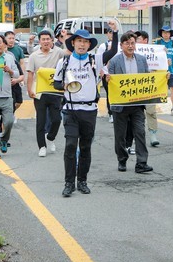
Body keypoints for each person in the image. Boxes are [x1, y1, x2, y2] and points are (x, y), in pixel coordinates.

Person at [53, 29, 101, 197]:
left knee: (86, 147)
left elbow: (111, 51)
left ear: (89, 45)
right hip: (70, 110)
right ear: (73, 43)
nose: (82, 44)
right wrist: (65, 86)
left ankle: (82, 181)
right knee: (71, 145)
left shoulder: (95, 60)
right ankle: (68, 183)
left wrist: (115, 33)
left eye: (85, 41)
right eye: (79, 41)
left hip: (89, 110)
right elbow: (56, 83)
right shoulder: (64, 62)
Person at [106, 32, 153, 174]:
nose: (130, 46)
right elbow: (110, 83)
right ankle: (122, 159)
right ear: (121, 46)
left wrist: (163, 76)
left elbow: (148, 79)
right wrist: (108, 79)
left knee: (140, 132)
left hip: (137, 104)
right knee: (120, 135)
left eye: (132, 43)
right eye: (127, 43)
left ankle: (141, 163)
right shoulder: (114, 61)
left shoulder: (142, 60)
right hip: (120, 105)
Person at [26, 30, 66, 157]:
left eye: (48, 39)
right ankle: (42, 146)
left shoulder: (58, 52)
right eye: (43, 39)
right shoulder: (34, 55)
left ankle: (51, 137)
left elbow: (69, 54)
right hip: (39, 91)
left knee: (56, 119)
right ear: (39, 41)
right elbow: (30, 73)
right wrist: (29, 90)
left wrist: (65, 40)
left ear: (52, 40)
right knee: (41, 120)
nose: (45, 42)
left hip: (54, 90)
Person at [135, 30, 160, 147]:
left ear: (145, 40)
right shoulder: (131, 51)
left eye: (138, 39)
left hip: (150, 86)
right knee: (134, 113)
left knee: (151, 111)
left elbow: (162, 66)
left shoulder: (155, 51)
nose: (136, 41)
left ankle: (153, 134)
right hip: (135, 86)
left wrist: (164, 58)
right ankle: (135, 136)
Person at [154, 25, 173, 116]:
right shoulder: (158, 43)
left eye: (167, 32)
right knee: (156, 90)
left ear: (170, 34)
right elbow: (152, 55)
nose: (166, 34)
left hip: (172, 70)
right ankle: (151, 109)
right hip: (160, 71)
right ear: (161, 33)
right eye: (164, 32)